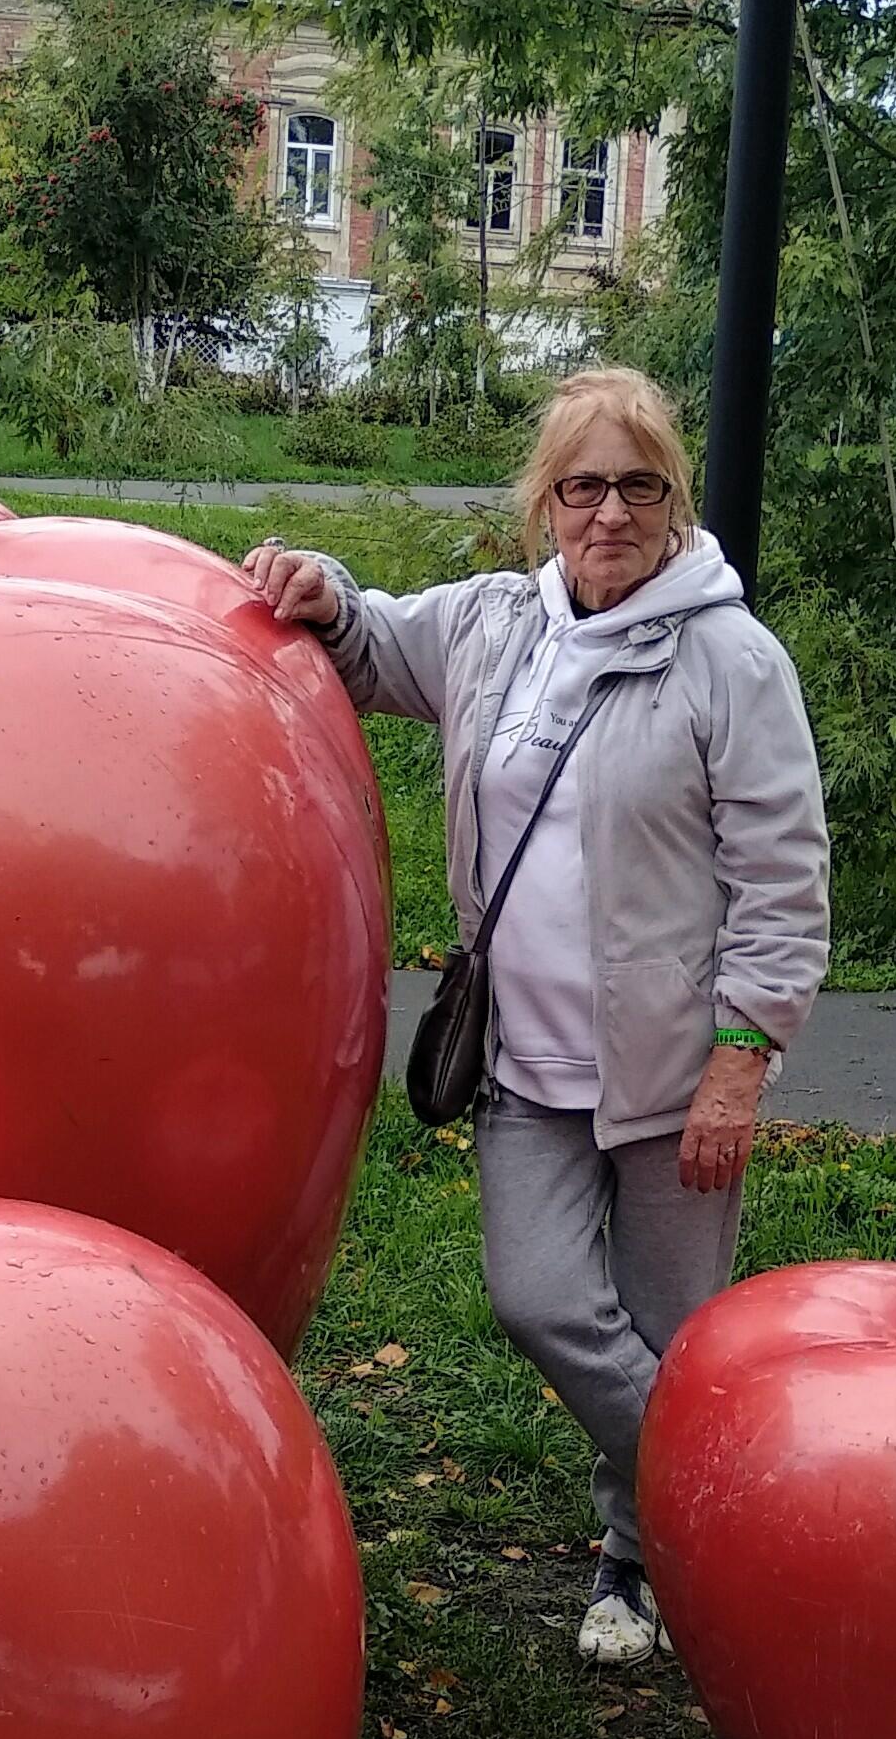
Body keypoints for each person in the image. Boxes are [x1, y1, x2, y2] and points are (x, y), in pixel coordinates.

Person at [244, 368, 829, 1664]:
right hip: (522, 1059)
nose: (610, 513)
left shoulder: (730, 660)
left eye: (639, 486)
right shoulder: (495, 626)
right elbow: (371, 642)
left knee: (672, 1329)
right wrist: (320, 586)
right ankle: (734, 1501)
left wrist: (742, 1059)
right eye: (583, 486)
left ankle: (639, 1559)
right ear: (544, 502)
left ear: (674, 500)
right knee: (540, 1298)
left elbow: (784, 878)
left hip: (674, 1072)